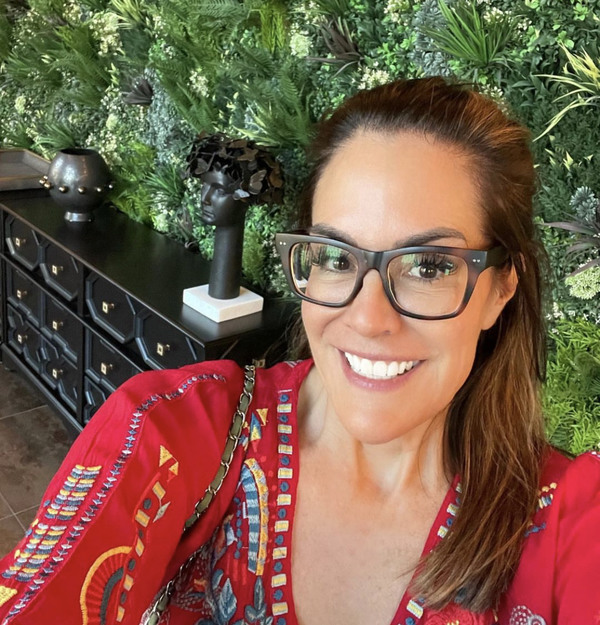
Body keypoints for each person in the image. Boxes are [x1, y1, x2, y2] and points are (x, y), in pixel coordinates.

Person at [0, 77, 599, 625]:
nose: (367, 319)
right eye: (336, 257)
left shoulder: (572, 521)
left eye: (429, 266)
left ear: (501, 289)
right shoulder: (173, 432)